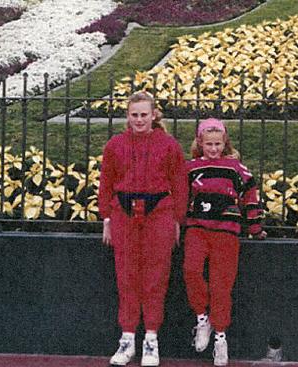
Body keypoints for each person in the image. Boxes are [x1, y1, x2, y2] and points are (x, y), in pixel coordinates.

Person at [99, 91, 188, 367]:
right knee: (126, 276)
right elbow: (106, 182)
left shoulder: (169, 145)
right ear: (128, 116)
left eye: (144, 115)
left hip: (159, 213)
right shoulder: (115, 145)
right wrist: (106, 218)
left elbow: (180, 184)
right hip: (124, 214)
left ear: (153, 116)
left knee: (155, 277)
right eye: (134, 115)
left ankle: (151, 340)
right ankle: (127, 340)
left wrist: (177, 220)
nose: (139, 120)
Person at [183, 118, 266, 366]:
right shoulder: (190, 168)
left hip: (227, 233)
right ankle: (202, 318)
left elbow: (250, 198)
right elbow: (180, 199)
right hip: (197, 229)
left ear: (225, 143)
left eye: (218, 144)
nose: (213, 149)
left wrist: (255, 227)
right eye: (208, 144)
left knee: (222, 285)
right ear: (200, 143)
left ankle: (220, 336)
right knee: (191, 271)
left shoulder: (237, 169)